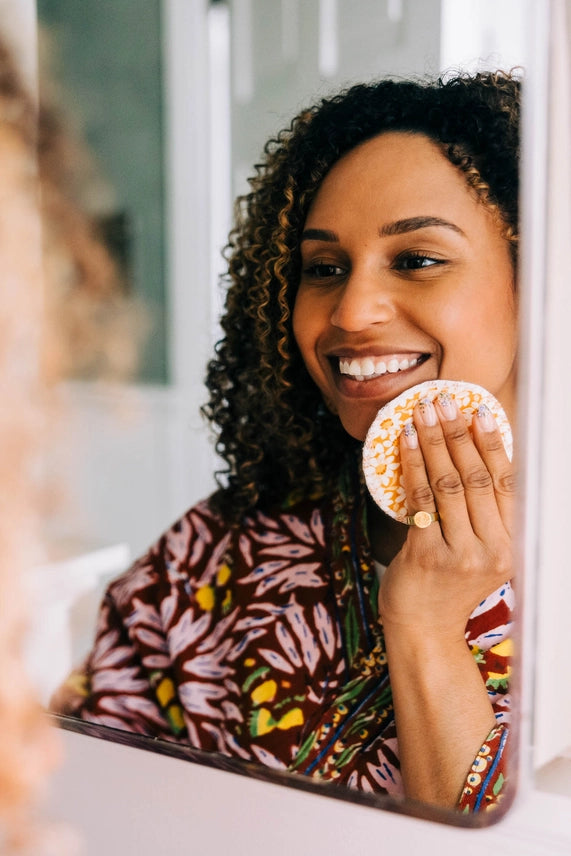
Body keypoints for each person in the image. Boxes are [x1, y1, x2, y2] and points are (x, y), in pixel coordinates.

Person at [54, 70, 519, 814]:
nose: (352, 310)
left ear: (540, 281)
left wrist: (426, 624)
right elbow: (76, 791)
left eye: (417, 259)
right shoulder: (218, 547)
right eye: (323, 269)